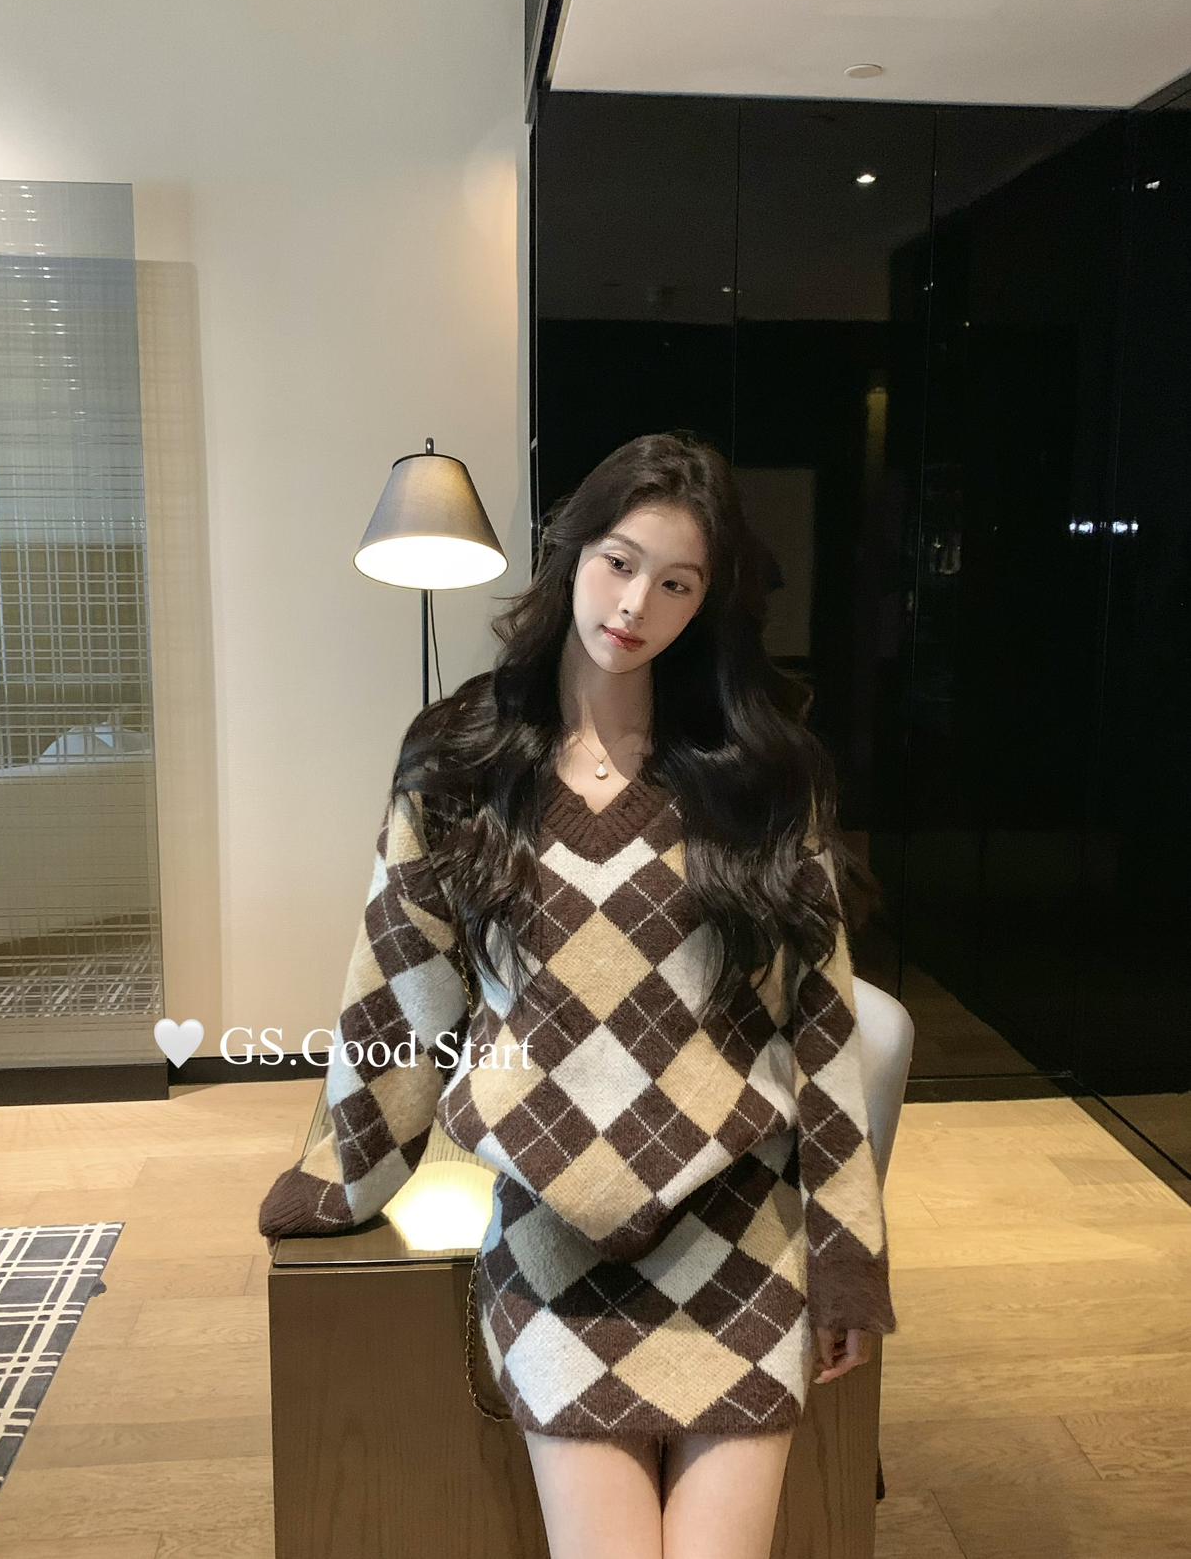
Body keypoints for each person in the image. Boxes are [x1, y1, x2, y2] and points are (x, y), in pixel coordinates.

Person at [258, 429, 896, 1559]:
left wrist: (845, 1260)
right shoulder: (461, 763)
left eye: (677, 582)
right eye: (618, 561)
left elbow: (823, 1023)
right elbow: (400, 989)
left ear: (709, 601)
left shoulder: (759, 774)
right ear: (570, 552)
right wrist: (343, 1172)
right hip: (553, 1241)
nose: (636, 603)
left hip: (738, 1235)